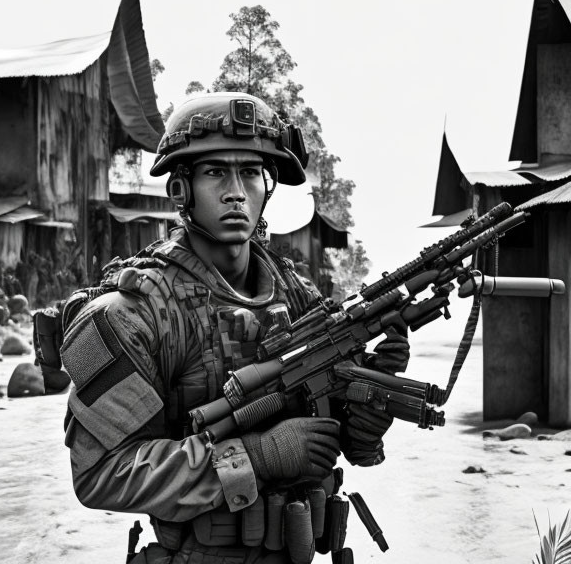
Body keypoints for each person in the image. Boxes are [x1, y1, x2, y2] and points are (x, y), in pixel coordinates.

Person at [57, 92, 409, 563]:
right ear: (180, 188)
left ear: (268, 187)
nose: (235, 191)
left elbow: (345, 443)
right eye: (215, 172)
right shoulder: (135, 313)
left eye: (250, 173)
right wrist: (254, 457)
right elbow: (101, 473)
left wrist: (367, 409)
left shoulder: (297, 296)